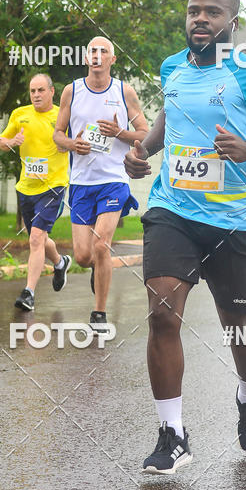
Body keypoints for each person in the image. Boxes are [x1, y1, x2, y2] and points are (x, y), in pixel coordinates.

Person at [124, 0, 246, 474]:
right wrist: (144, 153)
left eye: (211, 12)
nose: (199, 19)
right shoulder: (172, 68)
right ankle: (173, 434)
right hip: (172, 211)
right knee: (162, 314)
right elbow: (170, 115)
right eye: (192, 11)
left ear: (231, 21)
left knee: (237, 325)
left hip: (233, 220)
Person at [53, 37, 148, 332]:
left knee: (101, 245)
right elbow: (57, 134)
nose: (97, 55)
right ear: (86, 58)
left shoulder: (124, 91)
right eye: (92, 51)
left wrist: (121, 132)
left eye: (102, 51)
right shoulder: (72, 91)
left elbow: (145, 132)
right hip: (82, 183)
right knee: (83, 256)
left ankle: (99, 314)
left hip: (113, 180)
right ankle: (96, 268)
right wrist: (72, 143)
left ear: (112, 59)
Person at [0, 73, 71, 311]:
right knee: (40, 240)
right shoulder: (20, 114)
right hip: (26, 187)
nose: (36, 95)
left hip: (53, 186)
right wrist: (13, 141)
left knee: (36, 238)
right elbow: (1, 141)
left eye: (41, 90)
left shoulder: (63, 115)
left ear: (52, 91)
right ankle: (60, 263)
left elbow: (75, 143)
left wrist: (67, 144)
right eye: (33, 91)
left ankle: (28, 293)